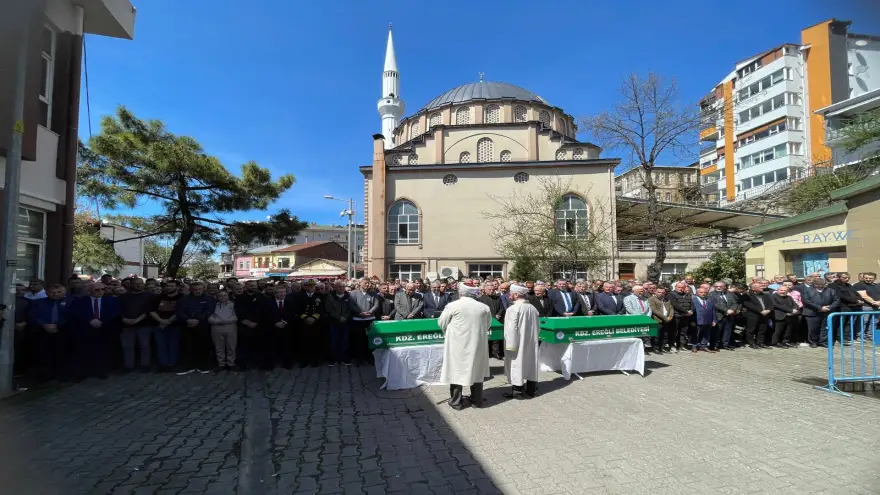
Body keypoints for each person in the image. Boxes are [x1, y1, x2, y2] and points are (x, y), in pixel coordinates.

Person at [437, 283, 491, 410]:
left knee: (456, 371)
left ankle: (456, 401)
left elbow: (441, 322)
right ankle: (477, 400)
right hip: (477, 344)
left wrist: (450, 332)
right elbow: (487, 325)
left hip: (457, 345)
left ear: (461, 293)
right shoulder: (484, 307)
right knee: (477, 370)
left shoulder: (452, 306)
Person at [70, 283, 120, 380]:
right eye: (97, 290)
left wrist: (102, 321)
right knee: (84, 351)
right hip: (86, 329)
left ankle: (101, 371)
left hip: (104, 329)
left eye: (102, 289)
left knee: (102, 351)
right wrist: (90, 320)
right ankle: (83, 372)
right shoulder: (80, 301)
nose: (100, 291)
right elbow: (76, 312)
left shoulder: (111, 300)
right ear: (90, 291)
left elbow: (115, 312)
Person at [502, 284, 540, 399]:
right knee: (530, 364)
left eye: (511, 293)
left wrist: (510, 345)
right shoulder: (533, 308)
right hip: (531, 341)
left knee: (517, 364)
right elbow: (537, 327)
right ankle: (531, 389)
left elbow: (511, 328)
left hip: (517, 343)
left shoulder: (513, 309)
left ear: (516, 295)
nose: (509, 295)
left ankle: (517, 392)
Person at [28, 284, 71, 382]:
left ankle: (61, 375)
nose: (55, 294)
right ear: (46, 293)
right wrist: (44, 325)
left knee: (61, 353)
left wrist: (57, 325)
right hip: (43, 332)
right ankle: (45, 376)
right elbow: (32, 315)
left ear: (64, 293)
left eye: (58, 292)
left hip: (62, 332)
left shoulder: (69, 302)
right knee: (43, 354)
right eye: (52, 292)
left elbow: (70, 316)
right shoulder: (38, 303)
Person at [175, 281, 216, 375]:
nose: (197, 291)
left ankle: (203, 366)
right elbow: (180, 311)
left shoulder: (209, 299)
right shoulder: (183, 299)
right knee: (187, 346)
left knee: (203, 346)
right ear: (191, 290)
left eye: (199, 289)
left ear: (203, 289)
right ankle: (188, 366)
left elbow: (209, 310)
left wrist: (198, 320)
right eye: (195, 289)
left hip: (203, 325)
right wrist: (187, 320)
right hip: (187, 325)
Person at [117, 278, 155, 373]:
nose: (139, 285)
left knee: (145, 345)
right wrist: (124, 319)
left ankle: (145, 365)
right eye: (136, 284)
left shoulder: (150, 296)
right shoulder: (124, 297)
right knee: (127, 346)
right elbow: (118, 310)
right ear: (131, 285)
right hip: (126, 325)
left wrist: (138, 319)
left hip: (144, 324)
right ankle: (129, 365)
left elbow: (150, 309)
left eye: (141, 283)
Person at [151, 280, 182, 372]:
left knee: (173, 345)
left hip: (175, 325)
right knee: (161, 345)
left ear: (177, 287)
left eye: (172, 286)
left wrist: (167, 321)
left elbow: (179, 311)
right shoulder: (159, 297)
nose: (169, 288)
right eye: (168, 286)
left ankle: (172, 364)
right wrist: (161, 321)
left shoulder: (182, 298)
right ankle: (163, 364)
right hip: (159, 324)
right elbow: (152, 310)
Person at [234, 281, 266, 370]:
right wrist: (247, 322)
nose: (253, 287)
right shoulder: (240, 298)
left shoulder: (262, 297)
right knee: (244, 346)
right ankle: (244, 364)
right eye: (251, 286)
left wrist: (258, 322)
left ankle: (258, 363)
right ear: (246, 286)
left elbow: (265, 311)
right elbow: (238, 311)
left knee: (258, 346)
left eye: (255, 285)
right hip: (245, 326)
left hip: (259, 326)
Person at [293, 280, 324, 367]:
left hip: (315, 322)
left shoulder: (320, 296)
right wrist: (305, 317)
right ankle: (304, 360)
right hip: (303, 322)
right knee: (303, 341)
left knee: (315, 341)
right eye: (308, 286)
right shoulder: (299, 296)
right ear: (305, 287)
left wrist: (313, 317)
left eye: (312, 286)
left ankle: (314, 359)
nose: (311, 287)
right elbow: (297, 308)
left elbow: (321, 308)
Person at [802, 278, 840, 348]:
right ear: (814, 284)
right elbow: (806, 301)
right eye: (817, 284)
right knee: (813, 329)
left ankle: (823, 342)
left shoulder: (831, 291)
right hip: (812, 312)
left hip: (827, 312)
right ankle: (813, 342)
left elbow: (837, 301)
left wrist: (829, 307)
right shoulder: (807, 290)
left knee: (825, 328)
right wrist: (820, 308)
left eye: (822, 284)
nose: (820, 286)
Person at [208, 290, 239, 372]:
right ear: (217, 297)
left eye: (225, 295)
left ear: (228, 296)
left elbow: (236, 316)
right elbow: (209, 316)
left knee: (231, 346)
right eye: (220, 296)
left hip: (230, 327)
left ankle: (231, 363)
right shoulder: (213, 305)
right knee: (219, 347)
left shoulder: (233, 305)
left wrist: (225, 321)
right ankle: (221, 363)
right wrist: (217, 321)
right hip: (216, 328)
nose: (223, 297)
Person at [263, 284, 293, 369]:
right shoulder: (268, 302)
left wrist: (285, 322)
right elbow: (265, 314)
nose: (282, 294)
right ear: (275, 293)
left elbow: (292, 313)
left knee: (287, 345)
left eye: (284, 292)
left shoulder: (290, 301)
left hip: (286, 327)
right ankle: (270, 363)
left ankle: (287, 363)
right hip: (272, 328)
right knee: (271, 346)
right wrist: (275, 322)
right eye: (279, 292)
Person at [324, 280, 352, 366]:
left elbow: (350, 308)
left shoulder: (348, 296)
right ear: (335, 287)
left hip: (345, 322)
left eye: (343, 287)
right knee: (334, 341)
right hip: (334, 322)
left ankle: (344, 359)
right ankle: (334, 359)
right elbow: (329, 309)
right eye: (339, 287)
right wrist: (339, 317)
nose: (341, 288)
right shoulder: (330, 296)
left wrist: (345, 317)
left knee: (345, 341)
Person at [478, 282, 505, 359]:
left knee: (496, 337)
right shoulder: (481, 299)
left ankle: (495, 353)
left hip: (497, 320)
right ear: (485, 290)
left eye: (493, 289)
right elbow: (481, 310)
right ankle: (487, 353)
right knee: (487, 337)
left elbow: (502, 307)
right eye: (489, 289)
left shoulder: (497, 298)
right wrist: (493, 316)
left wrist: (499, 314)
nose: (491, 291)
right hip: (486, 320)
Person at [743, 282, 772, 349]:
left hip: (765, 314)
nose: (762, 287)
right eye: (760, 286)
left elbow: (771, 304)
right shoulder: (746, 295)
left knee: (762, 330)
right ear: (753, 288)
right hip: (753, 315)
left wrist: (768, 310)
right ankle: (752, 343)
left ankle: (760, 343)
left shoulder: (765, 295)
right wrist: (760, 311)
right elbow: (748, 305)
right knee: (751, 330)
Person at [711, 281, 738, 350]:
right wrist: (726, 310)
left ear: (724, 287)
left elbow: (735, 303)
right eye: (716, 286)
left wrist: (732, 309)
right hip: (718, 315)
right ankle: (715, 345)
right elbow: (715, 305)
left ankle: (725, 344)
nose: (718, 288)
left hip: (730, 315)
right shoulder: (711, 294)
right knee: (716, 331)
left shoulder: (730, 294)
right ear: (714, 287)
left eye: (720, 286)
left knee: (727, 331)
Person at [668, 282, 694, 351]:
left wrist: (691, 311)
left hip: (686, 316)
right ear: (675, 287)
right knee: (674, 331)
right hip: (676, 316)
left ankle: (681, 345)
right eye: (679, 287)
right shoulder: (671, 294)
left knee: (683, 331)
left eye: (682, 287)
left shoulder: (687, 295)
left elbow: (692, 304)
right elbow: (675, 305)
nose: (681, 289)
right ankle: (672, 345)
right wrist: (686, 311)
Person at [691, 287, 718, 352]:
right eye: (701, 292)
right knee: (696, 334)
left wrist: (714, 320)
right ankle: (694, 346)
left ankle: (704, 346)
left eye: (705, 292)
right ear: (697, 293)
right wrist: (692, 320)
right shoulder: (693, 300)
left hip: (708, 320)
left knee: (706, 334)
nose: (703, 294)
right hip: (697, 319)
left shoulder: (709, 299)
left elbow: (713, 310)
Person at [649, 287, 674, 353]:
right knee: (657, 335)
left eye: (663, 293)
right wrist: (665, 317)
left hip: (667, 320)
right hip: (657, 319)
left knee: (665, 335)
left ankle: (662, 347)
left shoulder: (666, 299)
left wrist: (670, 316)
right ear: (655, 292)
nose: (661, 294)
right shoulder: (652, 299)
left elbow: (671, 308)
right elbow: (654, 310)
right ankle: (656, 348)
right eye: (659, 292)